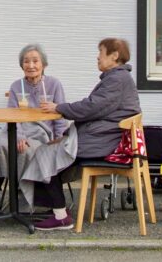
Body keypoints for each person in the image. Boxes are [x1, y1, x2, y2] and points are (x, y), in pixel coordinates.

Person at [29, 38, 141, 231]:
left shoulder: (116, 80)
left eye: (101, 53)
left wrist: (59, 108)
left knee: (44, 154)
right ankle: (55, 208)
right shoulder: (119, 78)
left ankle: (60, 216)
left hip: (104, 142)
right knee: (50, 150)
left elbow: (92, 107)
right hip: (106, 138)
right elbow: (95, 108)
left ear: (114, 56)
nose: (98, 57)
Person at [0, 44, 69, 216]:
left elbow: (61, 115)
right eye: (26, 61)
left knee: (26, 151)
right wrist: (19, 136)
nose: (31, 65)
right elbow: (12, 116)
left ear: (43, 64)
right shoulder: (17, 86)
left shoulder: (54, 84)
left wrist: (60, 138)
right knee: (1, 146)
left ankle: (23, 194)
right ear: (21, 65)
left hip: (41, 132)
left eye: (35, 61)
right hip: (16, 128)